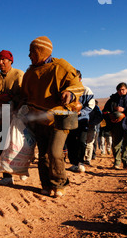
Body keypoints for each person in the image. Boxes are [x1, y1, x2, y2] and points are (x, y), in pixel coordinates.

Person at [22, 36, 84, 197]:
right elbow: (24, 96)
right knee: (43, 155)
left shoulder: (61, 67)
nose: (29, 55)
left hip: (59, 118)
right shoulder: (29, 74)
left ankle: (59, 182)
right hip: (39, 120)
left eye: (32, 52)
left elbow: (77, 85)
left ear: (41, 51)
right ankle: (46, 184)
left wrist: (69, 93)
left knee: (55, 152)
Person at [0, 50, 24, 185]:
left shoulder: (19, 74)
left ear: (10, 61)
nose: (0, 63)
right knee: (2, 146)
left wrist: (15, 103)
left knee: (17, 145)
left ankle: (20, 170)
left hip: (17, 117)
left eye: (3, 60)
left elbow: (25, 95)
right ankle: (7, 176)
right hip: (0, 118)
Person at [103, 82, 127, 169]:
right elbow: (105, 111)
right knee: (116, 144)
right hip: (115, 125)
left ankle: (126, 162)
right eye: (119, 90)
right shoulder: (112, 100)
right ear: (117, 90)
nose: (121, 91)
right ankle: (116, 163)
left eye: (123, 89)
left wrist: (124, 110)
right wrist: (110, 116)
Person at [65, 78, 95, 173]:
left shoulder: (86, 90)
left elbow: (91, 105)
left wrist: (81, 112)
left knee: (82, 141)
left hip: (82, 120)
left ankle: (81, 162)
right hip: (69, 120)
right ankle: (74, 163)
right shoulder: (66, 91)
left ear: (80, 79)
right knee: (70, 142)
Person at [84, 100, 103, 165]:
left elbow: (99, 117)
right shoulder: (81, 105)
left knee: (89, 143)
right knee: (81, 142)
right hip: (81, 127)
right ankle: (82, 158)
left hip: (91, 127)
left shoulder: (95, 108)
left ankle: (87, 159)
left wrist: (92, 123)